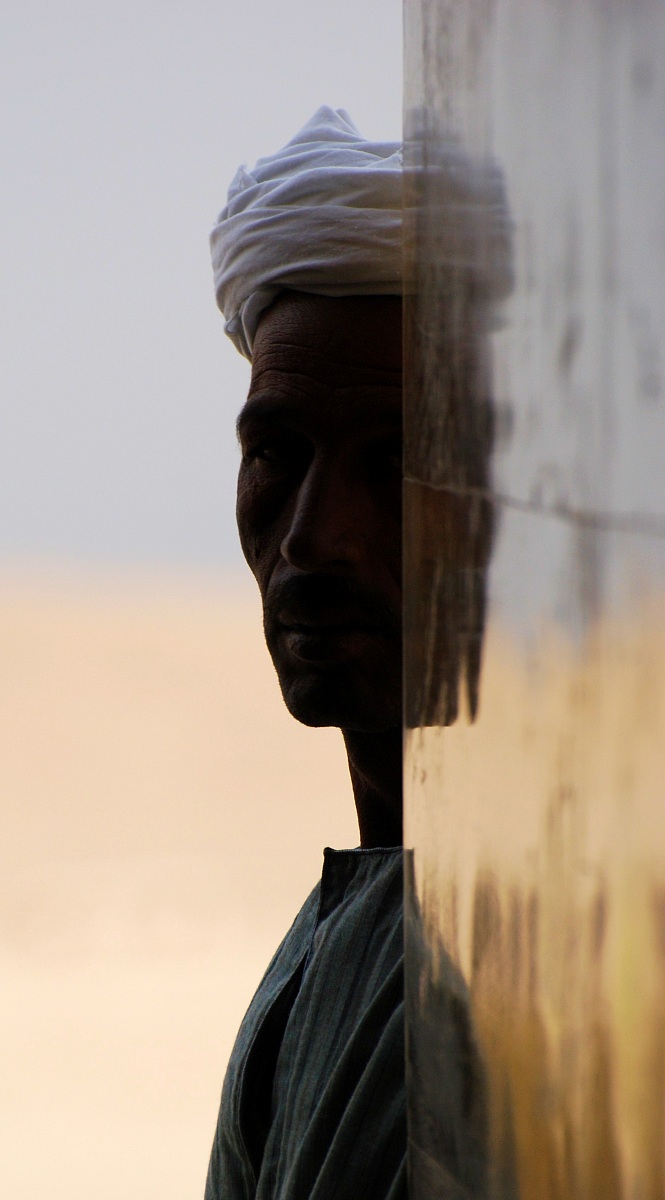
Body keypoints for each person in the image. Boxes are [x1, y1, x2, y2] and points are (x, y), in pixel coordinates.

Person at [204, 107, 407, 1200]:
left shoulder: (568, 960)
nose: (310, 540)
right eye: (277, 454)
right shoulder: (337, 940)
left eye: (401, 463)